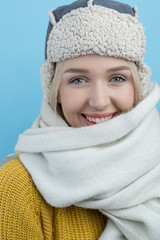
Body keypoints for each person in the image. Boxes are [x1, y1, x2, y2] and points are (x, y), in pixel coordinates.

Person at [0, 0, 160, 239]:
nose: (99, 101)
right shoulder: (16, 188)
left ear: (138, 85)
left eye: (117, 78)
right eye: (78, 80)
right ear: (55, 90)